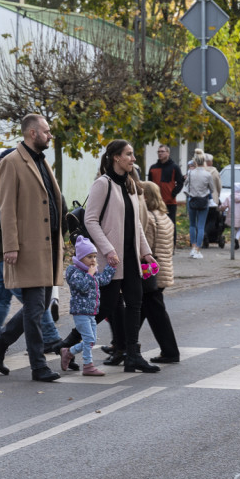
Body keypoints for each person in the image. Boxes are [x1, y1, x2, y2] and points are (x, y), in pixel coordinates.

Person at [0, 113, 67, 383]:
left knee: (38, 306)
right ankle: (38, 366)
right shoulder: (12, 162)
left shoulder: (42, 161)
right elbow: (7, 208)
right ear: (32, 133)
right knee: (35, 308)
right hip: (27, 247)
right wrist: (10, 246)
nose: (50, 135)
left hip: (48, 246)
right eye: (46, 131)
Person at [0, 148, 62, 354]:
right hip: (3, 250)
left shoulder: (18, 179)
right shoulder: (6, 179)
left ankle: (50, 336)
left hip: (12, 251)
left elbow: (12, 213)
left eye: (0, 161)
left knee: (31, 300)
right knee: (1, 295)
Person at [84, 139, 160, 373]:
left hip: (131, 258)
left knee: (135, 304)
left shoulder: (129, 184)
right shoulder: (102, 184)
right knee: (105, 307)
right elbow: (90, 220)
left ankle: (133, 356)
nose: (133, 159)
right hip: (112, 258)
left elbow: (135, 223)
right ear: (116, 157)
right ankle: (68, 344)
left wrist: (146, 252)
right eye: (129, 154)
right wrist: (108, 249)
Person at [59, 236, 116, 376]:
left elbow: (103, 280)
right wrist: (90, 275)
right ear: (80, 258)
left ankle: (68, 352)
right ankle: (88, 366)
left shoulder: (91, 273)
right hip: (80, 312)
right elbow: (82, 287)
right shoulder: (74, 272)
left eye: (95, 257)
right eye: (89, 257)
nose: (93, 260)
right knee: (89, 340)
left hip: (92, 312)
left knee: (91, 341)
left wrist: (111, 267)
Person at [138, 181, 180, 364]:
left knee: (156, 314)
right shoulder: (165, 217)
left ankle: (170, 352)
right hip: (163, 270)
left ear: (146, 197)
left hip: (150, 274)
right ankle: (121, 344)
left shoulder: (149, 218)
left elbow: (145, 248)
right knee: (141, 311)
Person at [182, 153, 213, 258]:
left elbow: (186, 183)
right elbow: (212, 189)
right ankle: (198, 249)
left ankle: (193, 247)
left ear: (195, 162)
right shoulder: (208, 174)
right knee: (201, 226)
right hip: (203, 201)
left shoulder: (190, 173)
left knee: (192, 225)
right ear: (203, 162)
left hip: (192, 200)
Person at [147, 144, 184, 226]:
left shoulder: (174, 167)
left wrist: (173, 194)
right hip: (156, 202)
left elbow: (180, 182)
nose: (160, 153)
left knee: (170, 225)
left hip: (170, 202)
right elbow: (149, 184)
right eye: (158, 152)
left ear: (168, 153)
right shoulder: (153, 168)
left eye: (162, 151)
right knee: (157, 225)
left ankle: (172, 236)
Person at [219, 181, 240, 249]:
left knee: (233, 229)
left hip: (231, 216)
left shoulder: (229, 198)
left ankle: (234, 240)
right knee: (239, 228)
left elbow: (224, 206)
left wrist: (219, 208)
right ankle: (236, 238)